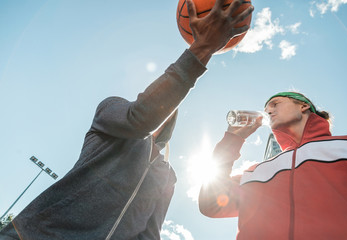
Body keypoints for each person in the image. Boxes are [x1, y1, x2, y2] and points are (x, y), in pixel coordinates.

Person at [0, 1, 254, 239]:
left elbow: (150, 234)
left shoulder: (167, 176)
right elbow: (141, 117)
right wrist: (202, 48)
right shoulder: (110, 112)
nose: (164, 106)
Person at [199, 92, 347, 240]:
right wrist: (231, 141)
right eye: (266, 108)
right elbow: (210, 202)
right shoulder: (255, 172)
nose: (268, 111)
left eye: (275, 104)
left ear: (303, 106)